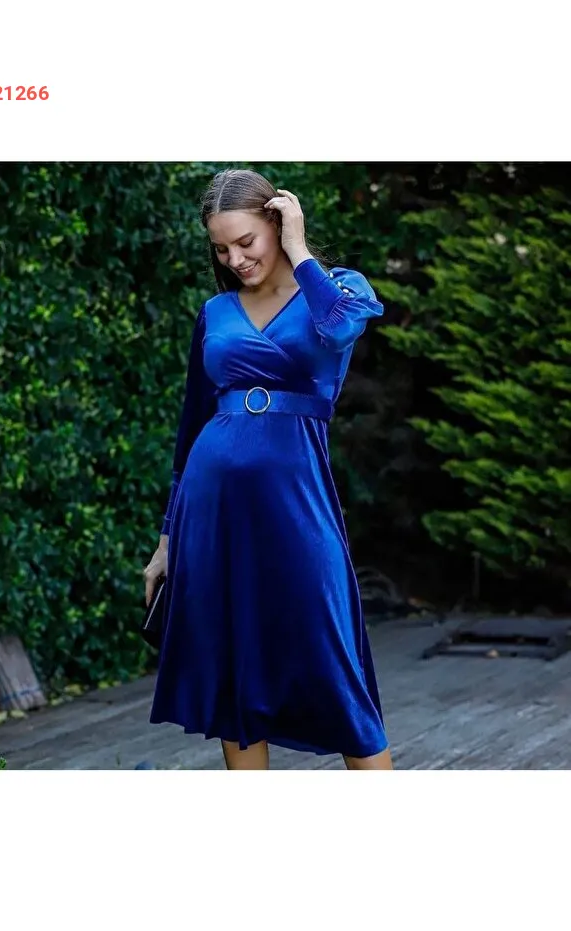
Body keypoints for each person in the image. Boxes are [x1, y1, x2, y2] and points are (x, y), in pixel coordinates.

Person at [144, 168, 393, 771]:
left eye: (246, 241)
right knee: (235, 674)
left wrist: (300, 251)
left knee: (334, 665)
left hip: (296, 499)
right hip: (213, 508)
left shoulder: (339, 289)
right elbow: (191, 427)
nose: (235, 260)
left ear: (277, 223)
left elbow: (339, 329)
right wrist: (167, 539)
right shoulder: (216, 311)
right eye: (221, 249)